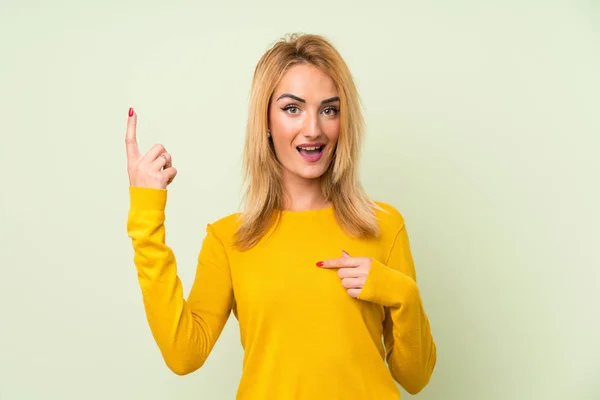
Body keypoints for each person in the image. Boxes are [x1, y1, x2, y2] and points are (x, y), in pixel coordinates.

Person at [125, 33, 436, 399]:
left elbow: (415, 378)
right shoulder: (230, 239)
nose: (314, 129)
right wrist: (146, 213)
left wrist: (402, 293)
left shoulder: (384, 225)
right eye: (293, 109)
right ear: (266, 122)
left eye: (329, 109)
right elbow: (183, 355)